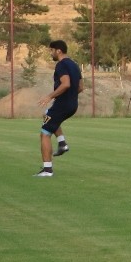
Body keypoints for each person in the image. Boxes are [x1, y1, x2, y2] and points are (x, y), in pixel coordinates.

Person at [36, 39, 81, 177]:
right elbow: (80, 87)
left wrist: (50, 96)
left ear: (58, 50)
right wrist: (70, 97)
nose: (51, 53)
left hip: (63, 104)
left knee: (44, 133)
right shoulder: (75, 65)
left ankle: (47, 170)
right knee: (48, 115)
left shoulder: (61, 65)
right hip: (72, 104)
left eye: (51, 50)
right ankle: (62, 144)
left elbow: (66, 84)